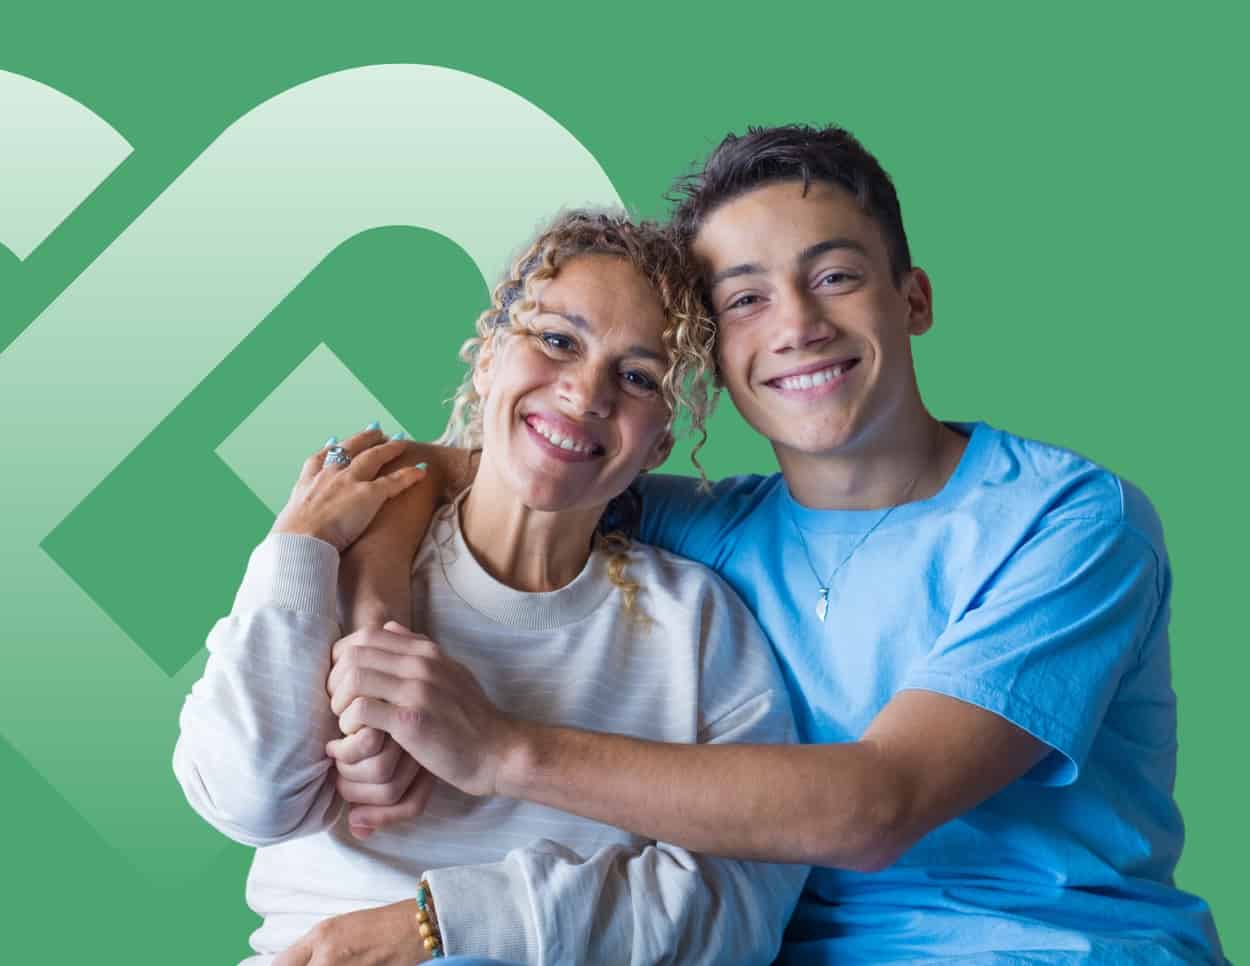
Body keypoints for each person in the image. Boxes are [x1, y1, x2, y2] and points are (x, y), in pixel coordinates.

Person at [337, 127, 1227, 963]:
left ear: (912, 299)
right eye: (746, 299)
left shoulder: (1067, 519)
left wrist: (498, 750)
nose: (796, 324)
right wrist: (380, 647)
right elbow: (432, 469)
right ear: (714, 357)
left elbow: (880, 806)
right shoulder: (709, 528)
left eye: (835, 276)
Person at [172, 210, 807, 965]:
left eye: (637, 377)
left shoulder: (697, 626)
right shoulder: (343, 559)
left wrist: (445, 922)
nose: (585, 392)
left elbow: (737, 912)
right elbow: (248, 800)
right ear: (487, 358)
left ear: (661, 441)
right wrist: (297, 548)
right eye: (558, 340)